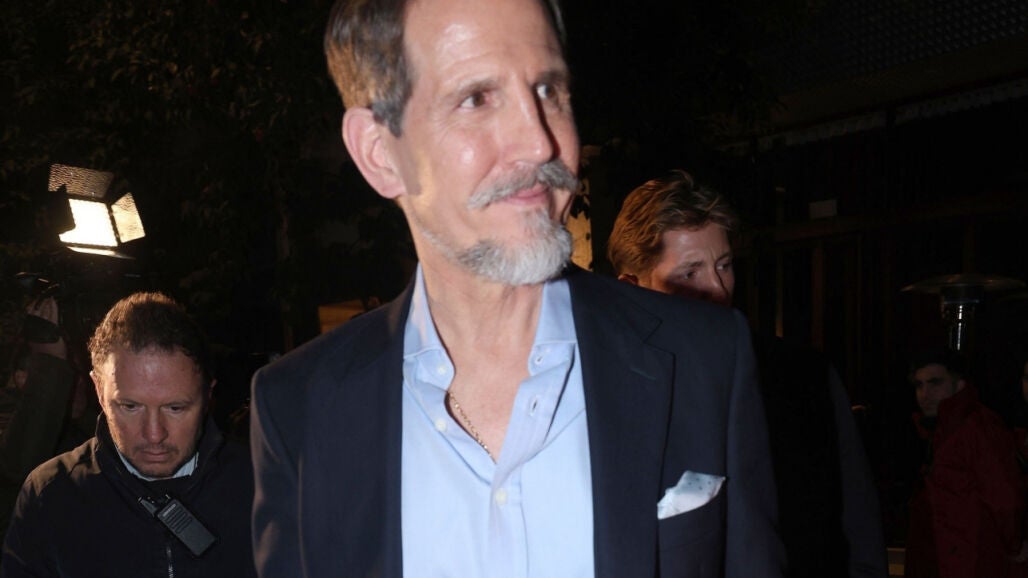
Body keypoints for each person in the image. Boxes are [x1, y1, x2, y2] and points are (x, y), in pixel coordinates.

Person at [249, 0, 783, 576]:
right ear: (380, 154)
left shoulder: (707, 359)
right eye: (476, 98)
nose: (540, 144)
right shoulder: (298, 409)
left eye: (549, 91)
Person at [607, 170, 888, 577]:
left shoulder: (803, 374)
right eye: (690, 273)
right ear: (633, 287)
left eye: (724, 265)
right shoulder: (609, 394)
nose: (718, 289)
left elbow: (857, 524)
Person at [2, 292, 257, 577]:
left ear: (208, 396)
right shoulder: (50, 496)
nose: (154, 434)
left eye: (175, 408)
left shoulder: (262, 482)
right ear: (99, 391)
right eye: (130, 407)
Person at [903, 350, 1024, 578]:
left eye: (935, 383)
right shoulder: (938, 431)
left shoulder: (976, 427)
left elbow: (1004, 498)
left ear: (959, 384)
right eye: (919, 385)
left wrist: (1014, 545)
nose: (924, 394)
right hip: (949, 559)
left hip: (970, 562)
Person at [0, 297, 75, 549]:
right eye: (68, 377)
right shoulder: (11, 417)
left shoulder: (82, 439)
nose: (75, 385)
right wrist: (50, 364)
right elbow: (15, 470)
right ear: (22, 378)